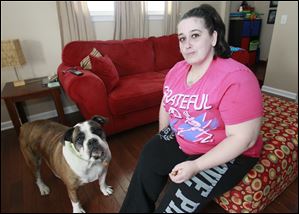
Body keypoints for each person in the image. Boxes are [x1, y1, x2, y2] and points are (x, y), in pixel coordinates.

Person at [119, 4, 263, 213]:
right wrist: (163, 136)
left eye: (195, 35)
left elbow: (244, 139)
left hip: (229, 152)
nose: (187, 45)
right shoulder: (177, 70)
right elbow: (166, 103)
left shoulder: (237, 78)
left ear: (213, 38)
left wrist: (195, 166)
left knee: (173, 206)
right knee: (150, 153)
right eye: (182, 38)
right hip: (186, 140)